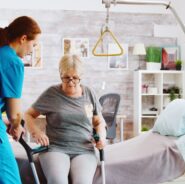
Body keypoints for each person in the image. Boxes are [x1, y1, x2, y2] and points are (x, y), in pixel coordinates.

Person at [25, 54, 107, 184]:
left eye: (75, 78)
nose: (70, 82)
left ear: (81, 76)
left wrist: (101, 137)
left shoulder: (89, 93)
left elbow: (99, 121)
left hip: (84, 149)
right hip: (55, 148)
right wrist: (36, 132)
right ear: (60, 74)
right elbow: (28, 115)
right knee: (58, 181)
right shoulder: (51, 93)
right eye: (66, 77)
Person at [0, 16, 41, 184]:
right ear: (23, 38)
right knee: (10, 179)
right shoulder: (13, 61)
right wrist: (17, 126)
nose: (32, 50)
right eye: (33, 44)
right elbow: (14, 113)